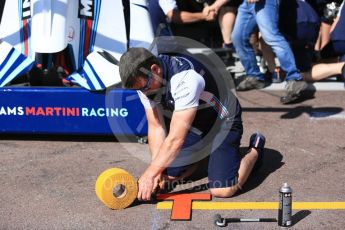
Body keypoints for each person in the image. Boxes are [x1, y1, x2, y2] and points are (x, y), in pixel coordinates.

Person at [119, 47, 266, 200]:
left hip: (221, 121)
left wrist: (149, 174)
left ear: (154, 69)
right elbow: (156, 126)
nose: (143, 92)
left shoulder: (185, 78)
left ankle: (255, 150)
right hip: (195, 123)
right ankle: (205, 156)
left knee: (222, 190)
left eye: (144, 87)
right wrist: (158, 172)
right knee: (165, 178)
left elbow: (176, 139)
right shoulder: (144, 81)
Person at [232, 0, 308, 104]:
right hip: (246, 3)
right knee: (238, 38)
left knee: (271, 36)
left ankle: (295, 79)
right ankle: (255, 77)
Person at [148, 0, 241, 49]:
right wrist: (204, 16)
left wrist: (215, 6)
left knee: (229, 6)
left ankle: (229, 47)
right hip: (165, 42)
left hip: (214, 22)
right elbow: (175, 16)